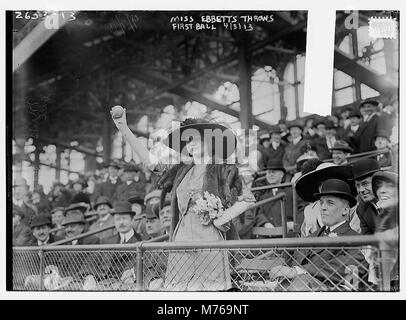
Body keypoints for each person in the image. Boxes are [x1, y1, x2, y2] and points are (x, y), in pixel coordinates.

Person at [111, 108, 254, 291]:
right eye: (188, 141)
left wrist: (221, 219)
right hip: (181, 236)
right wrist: (124, 130)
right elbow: (151, 162)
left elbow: (248, 199)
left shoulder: (222, 168)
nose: (190, 144)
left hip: (209, 237)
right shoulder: (180, 170)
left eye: (195, 139)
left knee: (211, 291)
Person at [269, 179, 368, 291]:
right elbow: (292, 260)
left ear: (345, 210)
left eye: (330, 203)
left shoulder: (354, 238)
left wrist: (298, 271)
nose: (323, 207)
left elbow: (352, 266)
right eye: (321, 202)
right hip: (296, 288)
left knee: (301, 282)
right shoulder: (312, 237)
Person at [296, 162, 360, 237]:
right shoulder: (309, 210)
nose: (323, 188)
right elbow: (304, 236)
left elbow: (354, 235)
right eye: (320, 184)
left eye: (328, 183)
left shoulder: (354, 208)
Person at [253, 159, 294, 229]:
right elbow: (259, 213)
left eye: (274, 172)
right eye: (268, 172)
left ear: (281, 174)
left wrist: (294, 222)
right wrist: (265, 223)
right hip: (268, 235)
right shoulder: (263, 195)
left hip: (288, 234)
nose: (271, 174)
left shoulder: (291, 191)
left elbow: (301, 210)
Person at [350, 159, 382, 235]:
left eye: (365, 184)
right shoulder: (361, 209)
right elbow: (367, 238)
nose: (361, 190)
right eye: (357, 185)